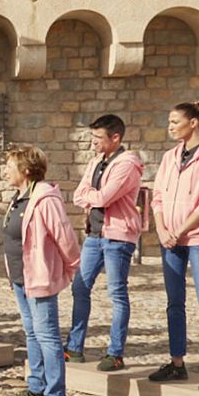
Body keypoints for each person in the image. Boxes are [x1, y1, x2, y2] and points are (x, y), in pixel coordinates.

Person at [149, 101, 199, 391]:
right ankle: (177, 363)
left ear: (193, 122)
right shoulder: (170, 156)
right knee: (174, 303)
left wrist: (180, 230)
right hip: (169, 240)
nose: (170, 127)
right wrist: (161, 228)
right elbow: (157, 195)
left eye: (175, 122)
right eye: (169, 122)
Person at [2, 145, 82, 396]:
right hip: (21, 277)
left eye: (10, 167)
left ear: (25, 171)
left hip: (39, 277)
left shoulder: (45, 199)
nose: (5, 172)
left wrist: (71, 267)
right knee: (32, 333)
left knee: (47, 336)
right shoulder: (20, 197)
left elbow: (64, 236)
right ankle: (36, 387)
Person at [66, 115, 144, 369]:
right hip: (94, 235)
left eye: (98, 138)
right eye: (92, 137)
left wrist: (91, 196)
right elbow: (79, 194)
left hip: (118, 237)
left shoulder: (127, 165)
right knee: (80, 286)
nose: (93, 143)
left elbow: (104, 197)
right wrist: (91, 196)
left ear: (115, 138)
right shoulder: (96, 161)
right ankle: (74, 347)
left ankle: (115, 352)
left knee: (117, 293)